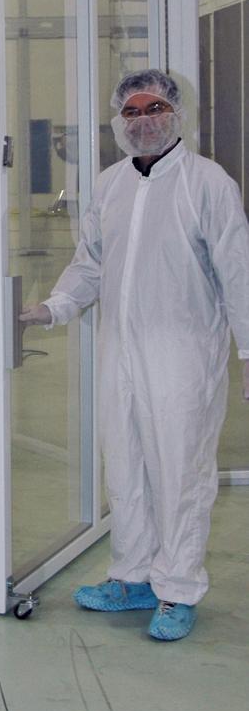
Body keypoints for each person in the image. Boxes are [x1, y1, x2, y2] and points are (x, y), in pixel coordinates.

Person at [20, 69, 249, 641]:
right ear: (118, 122)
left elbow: (238, 274)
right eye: (132, 112)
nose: (144, 120)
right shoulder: (110, 184)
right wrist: (56, 306)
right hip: (119, 349)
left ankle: (177, 589)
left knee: (179, 471)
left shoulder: (208, 184)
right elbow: (91, 260)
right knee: (124, 466)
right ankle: (133, 575)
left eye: (155, 108)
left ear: (176, 113)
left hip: (183, 356)